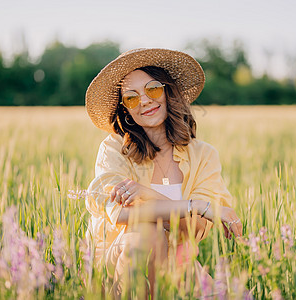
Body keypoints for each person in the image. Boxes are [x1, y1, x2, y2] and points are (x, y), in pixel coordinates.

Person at [84, 48, 243, 298]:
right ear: (125, 109)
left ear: (168, 92)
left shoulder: (204, 155)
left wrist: (152, 196)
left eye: (153, 89)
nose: (145, 100)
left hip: (178, 263)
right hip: (124, 264)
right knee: (148, 235)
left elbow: (195, 229)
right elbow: (121, 213)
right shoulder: (114, 147)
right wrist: (197, 205)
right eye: (132, 98)